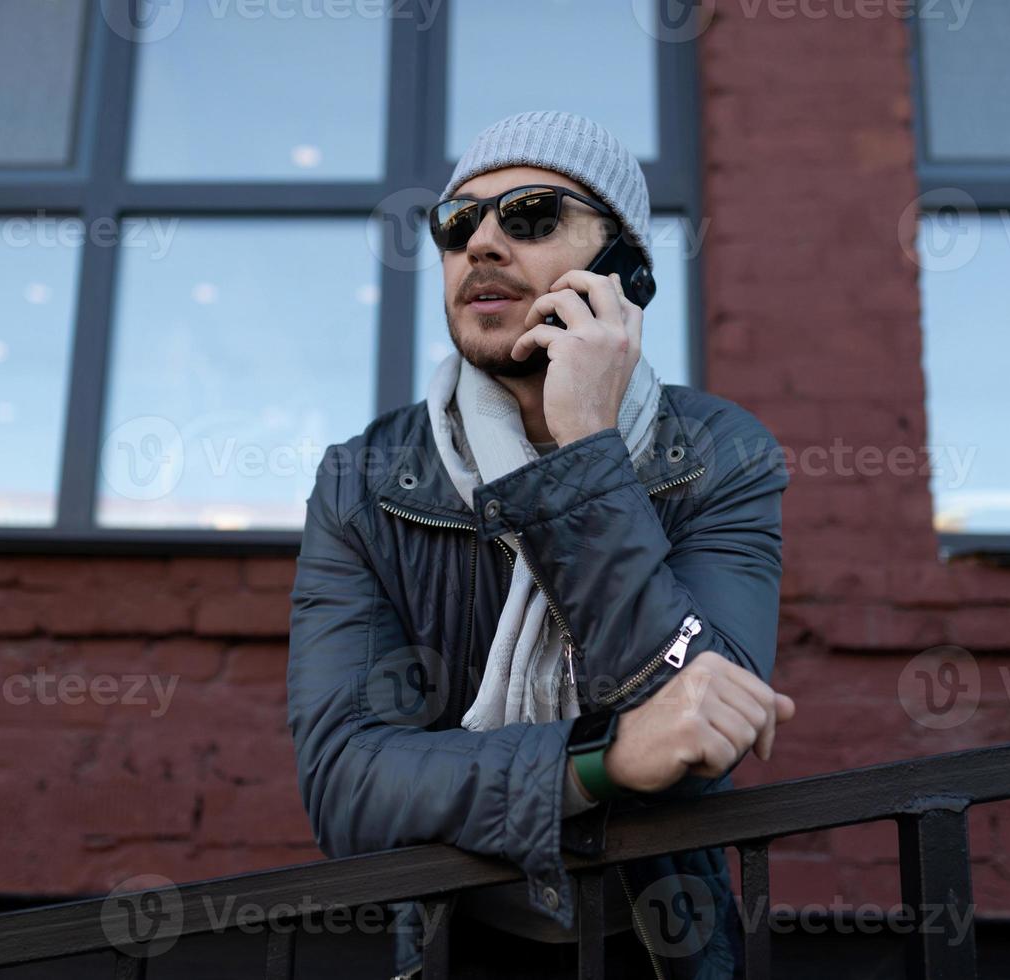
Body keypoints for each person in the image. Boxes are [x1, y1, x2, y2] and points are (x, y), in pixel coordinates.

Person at [287, 110, 795, 979]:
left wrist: (585, 445)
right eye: (457, 222)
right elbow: (346, 782)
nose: (482, 240)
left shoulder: (722, 453)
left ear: (622, 270)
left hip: (661, 944)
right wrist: (600, 765)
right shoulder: (362, 481)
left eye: (530, 215)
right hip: (461, 947)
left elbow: (704, 721)